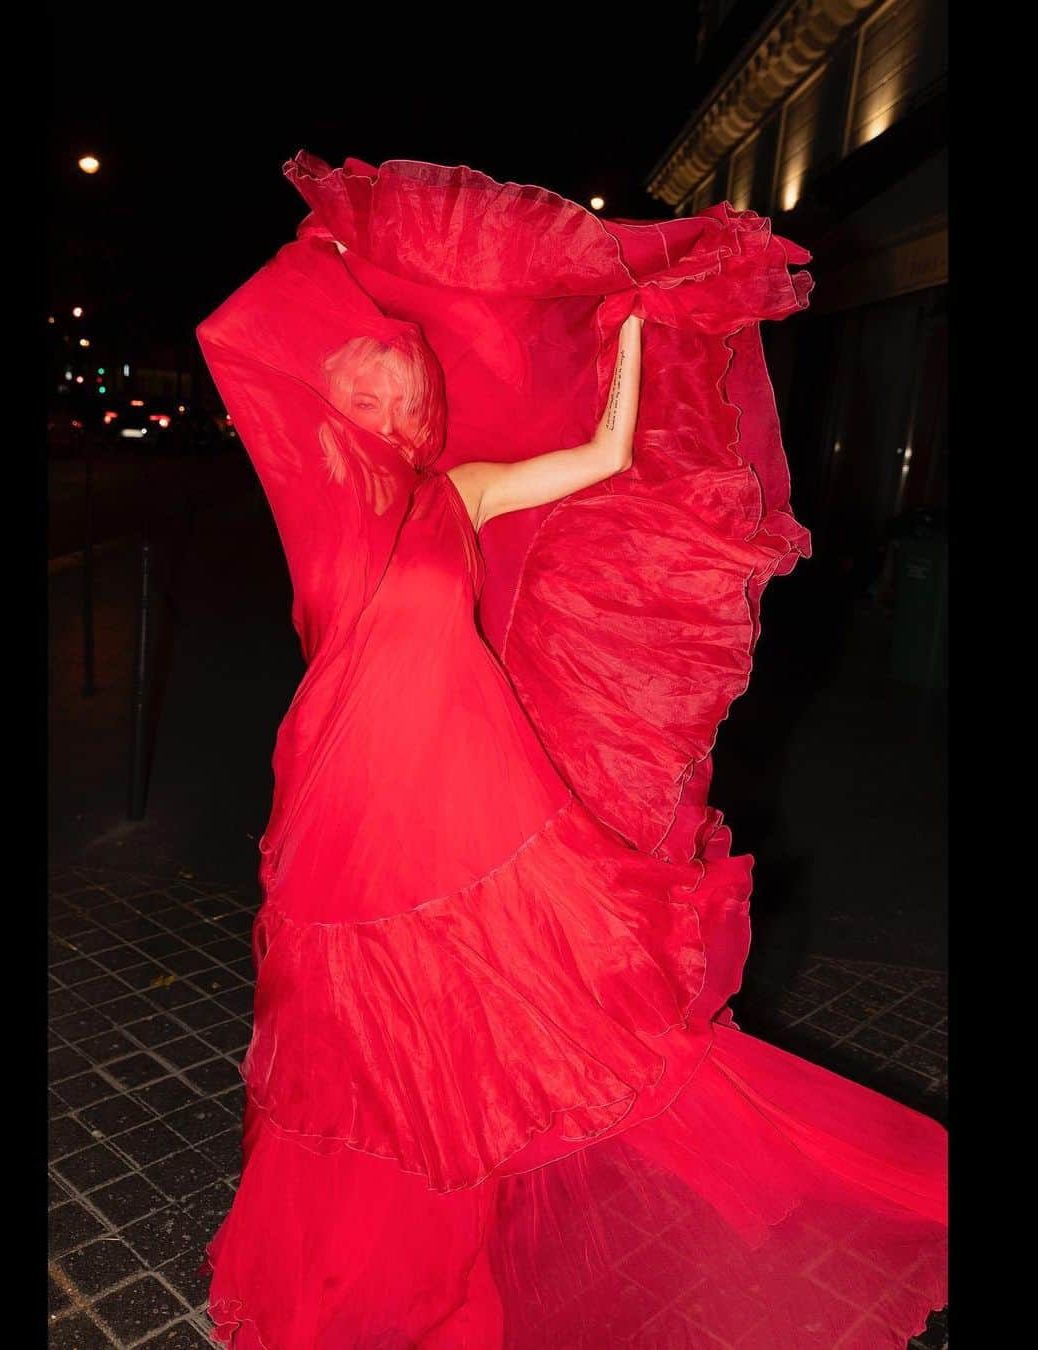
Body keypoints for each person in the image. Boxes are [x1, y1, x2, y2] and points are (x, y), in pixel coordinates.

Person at [196, 155, 946, 1348]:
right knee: (351, 1037)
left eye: (405, 394)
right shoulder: (320, 500)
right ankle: (359, 1275)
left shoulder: (461, 493)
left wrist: (633, 310)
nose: (390, 414)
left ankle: (461, 1262)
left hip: (471, 801)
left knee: (501, 1017)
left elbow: (603, 454)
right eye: (367, 394)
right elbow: (237, 334)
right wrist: (340, 250)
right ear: (334, 406)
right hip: (345, 793)